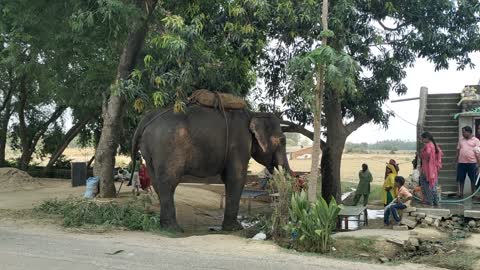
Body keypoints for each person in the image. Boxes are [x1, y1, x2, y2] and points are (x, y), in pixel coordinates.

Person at [456, 126, 480, 198]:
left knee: (473, 179)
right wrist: (456, 160)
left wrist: (478, 163)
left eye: (464, 132)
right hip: (461, 162)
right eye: (462, 132)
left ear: (469, 132)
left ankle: (473, 194)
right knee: (461, 178)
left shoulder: (476, 140)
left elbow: (478, 152)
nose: (462, 134)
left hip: (472, 163)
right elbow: (458, 150)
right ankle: (461, 193)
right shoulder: (461, 140)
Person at [420, 131, 443, 206]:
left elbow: (428, 155)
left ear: (427, 138)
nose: (422, 140)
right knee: (433, 185)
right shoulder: (435, 146)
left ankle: (430, 201)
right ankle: (435, 201)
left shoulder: (428, 146)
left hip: (427, 168)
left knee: (426, 186)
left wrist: (421, 154)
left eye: (423, 139)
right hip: (433, 169)